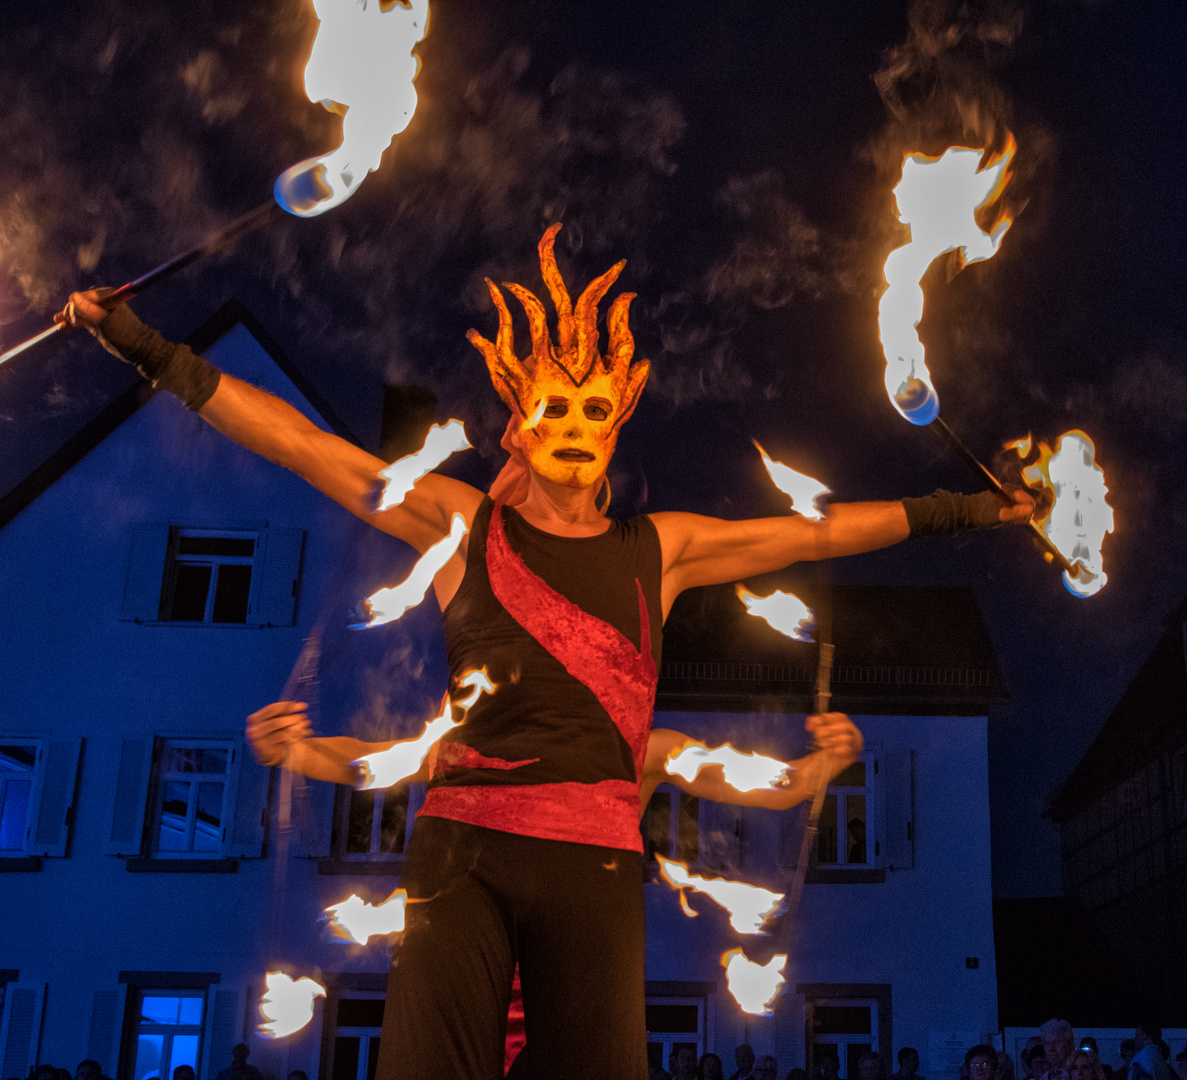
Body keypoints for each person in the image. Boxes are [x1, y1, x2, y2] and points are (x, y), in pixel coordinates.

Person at [60, 225, 1034, 1080]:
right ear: (518, 427)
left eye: (593, 414)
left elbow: (816, 535)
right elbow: (307, 447)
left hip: (595, 863)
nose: (574, 429)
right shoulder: (461, 525)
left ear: (615, 431)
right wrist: (141, 345)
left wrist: (968, 509)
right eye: (555, 412)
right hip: (462, 852)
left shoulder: (662, 549)